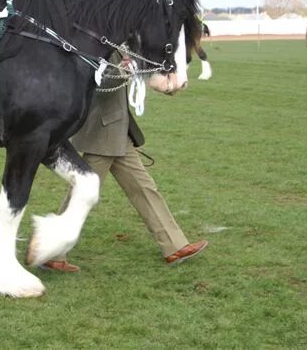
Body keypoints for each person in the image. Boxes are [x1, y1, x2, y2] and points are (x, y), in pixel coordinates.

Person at [43, 54, 208, 272]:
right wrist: (122, 70)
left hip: (117, 129)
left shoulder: (118, 41)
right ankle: (51, 252)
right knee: (81, 194)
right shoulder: (98, 42)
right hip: (103, 132)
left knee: (144, 188)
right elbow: (95, 82)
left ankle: (174, 245)